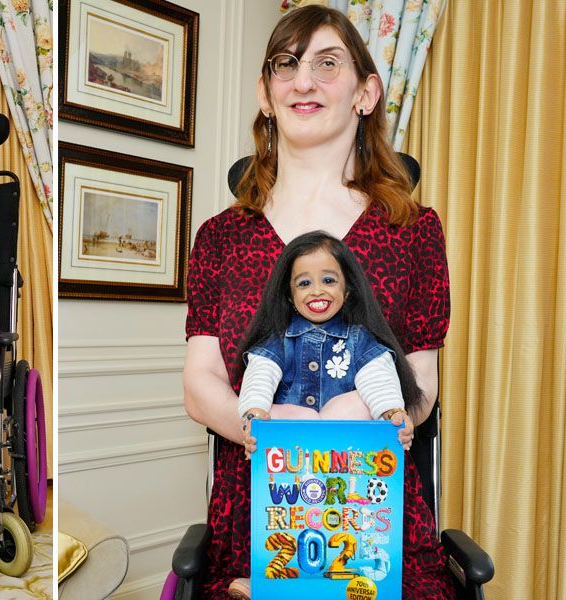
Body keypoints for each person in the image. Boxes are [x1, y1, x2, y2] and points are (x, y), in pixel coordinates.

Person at [181, 6, 455, 599]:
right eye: (286, 65)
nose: (303, 80)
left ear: (366, 92)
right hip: (253, 509)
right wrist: (276, 432)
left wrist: (353, 423)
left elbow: (423, 384)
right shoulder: (220, 239)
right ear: (264, 93)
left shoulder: (414, 232)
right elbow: (200, 382)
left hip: (376, 515)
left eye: (327, 64)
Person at [237, 231, 418, 456]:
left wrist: (393, 413)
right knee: (279, 415)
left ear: (348, 290)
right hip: (292, 456)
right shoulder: (278, 341)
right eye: (304, 283)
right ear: (290, 296)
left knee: (359, 403)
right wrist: (255, 413)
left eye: (329, 280)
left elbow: (378, 379)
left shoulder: (359, 339)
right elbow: (260, 376)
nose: (317, 291)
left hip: (347, 454)